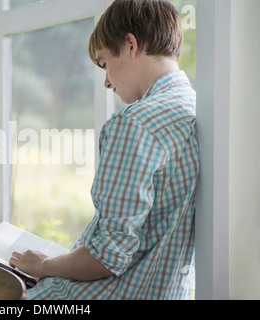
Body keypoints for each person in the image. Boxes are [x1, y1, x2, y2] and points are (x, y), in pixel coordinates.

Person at [10, 0, 199, 300]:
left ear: (130, 44)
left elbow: (106, 257)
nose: (107, 82)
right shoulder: (194, 109)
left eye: (104, 63)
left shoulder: (135, 123)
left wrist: (44, 264)